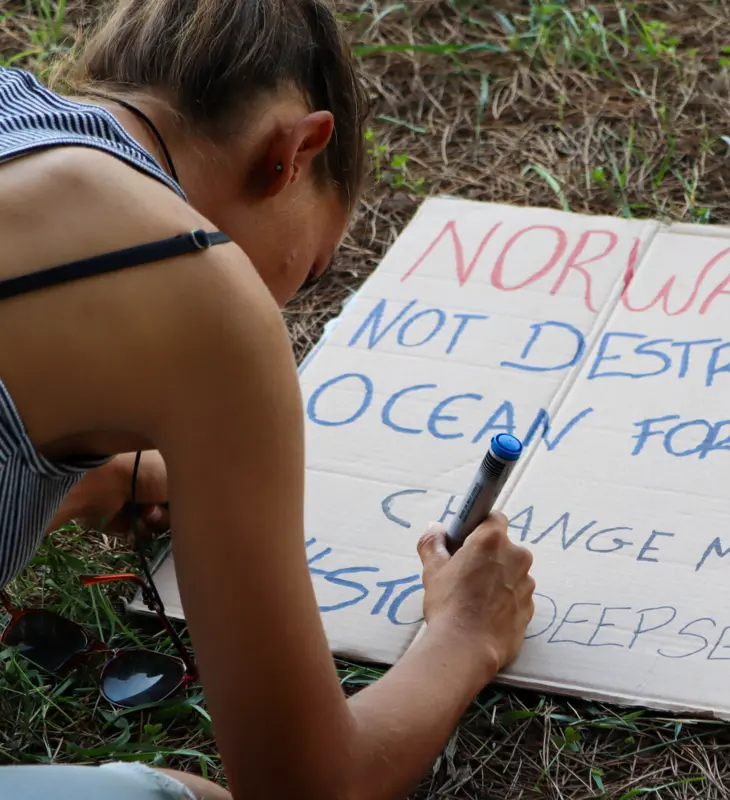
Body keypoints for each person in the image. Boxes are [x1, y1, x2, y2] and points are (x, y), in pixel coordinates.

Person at [0, 1, 536, 798]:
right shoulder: (201, 288)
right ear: (292, 153)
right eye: (309, 272)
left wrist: (81, 480)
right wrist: (465, 635)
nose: (281, 300)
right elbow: (308, 784)